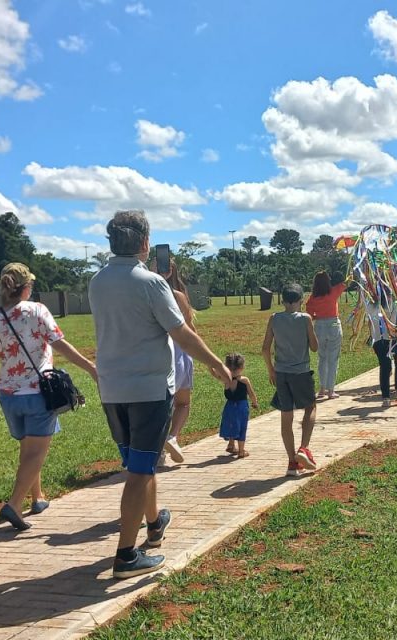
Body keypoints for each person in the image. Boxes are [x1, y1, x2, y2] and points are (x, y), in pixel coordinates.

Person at [89, 209, 232, 579]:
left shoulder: (97, 281)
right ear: (144, 243)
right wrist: (215, 362)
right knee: (139, 472)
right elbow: (180, 332)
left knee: (140, 463)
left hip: (112, 389)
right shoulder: (152, 283)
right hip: (149, 390)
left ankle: (154, 523)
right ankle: (125, 555)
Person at [0, 263, 97, 531]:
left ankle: (37, 497)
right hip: (39, 393)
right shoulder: (37, 310)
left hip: (9, 395)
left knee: (27, 449)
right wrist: (91, 369)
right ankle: (14, 505)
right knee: (37, 452)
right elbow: (60, 344)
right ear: (26, 287)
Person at [262, 283, 319, 477]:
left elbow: (265, 348)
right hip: (301, 372)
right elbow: (314, 347)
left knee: (286, 416)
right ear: (301, 301)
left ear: (283, 300)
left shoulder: (274, 318)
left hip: (281, 373)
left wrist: (271, 370)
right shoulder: (305, 319)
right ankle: (304, 448)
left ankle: (292, 462)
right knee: (311, 407)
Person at [162, 259, 196, 465]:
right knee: (182, 403)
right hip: (179, 351)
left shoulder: (144, 291)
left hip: (156, 351)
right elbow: (190, 327)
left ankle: (158, 451)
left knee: (160, 404)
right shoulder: (178, 296)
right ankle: (172, 436)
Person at [305, 271, 347, 400]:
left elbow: (309, 312)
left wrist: (317, 316)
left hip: (319, 326)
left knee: (322, 358)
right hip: (333, 324)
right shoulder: (334, 292)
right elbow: (346, 283)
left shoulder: (313, 297)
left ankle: (322, 389)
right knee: (333, 358)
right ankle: (331, 390)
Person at [366, 289, 397, 407]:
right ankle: (394, 393)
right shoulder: (394, 303)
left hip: (388, 338)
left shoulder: (391, 303)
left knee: (387, 367)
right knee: (394, 365)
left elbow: (369, 322)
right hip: (389, 338)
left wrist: (372, 335)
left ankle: (388, 396)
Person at [218, 353, 259, 458]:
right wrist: (255, 403)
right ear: (242, 367)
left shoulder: (226, 379)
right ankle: (241, 450)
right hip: (242, 407)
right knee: (242, 427)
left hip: (229, 407)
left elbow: (214, 373)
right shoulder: (244, 380)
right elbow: (252, 394)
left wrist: (211, 366)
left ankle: (231, 444)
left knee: (232, 423)